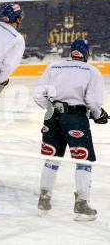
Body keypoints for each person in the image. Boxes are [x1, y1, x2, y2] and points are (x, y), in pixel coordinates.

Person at [33, 38, 107, 221]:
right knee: (84, 159)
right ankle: (81, 204)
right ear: (86, 54)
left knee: (51, 157)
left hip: (51, 118)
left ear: (71, 52)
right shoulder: (92, 71)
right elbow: (93, 102)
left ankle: (44, 199)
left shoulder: (54, 68)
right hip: (76, 121)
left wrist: (52, 109)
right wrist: (98, 115)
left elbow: (38, 95)